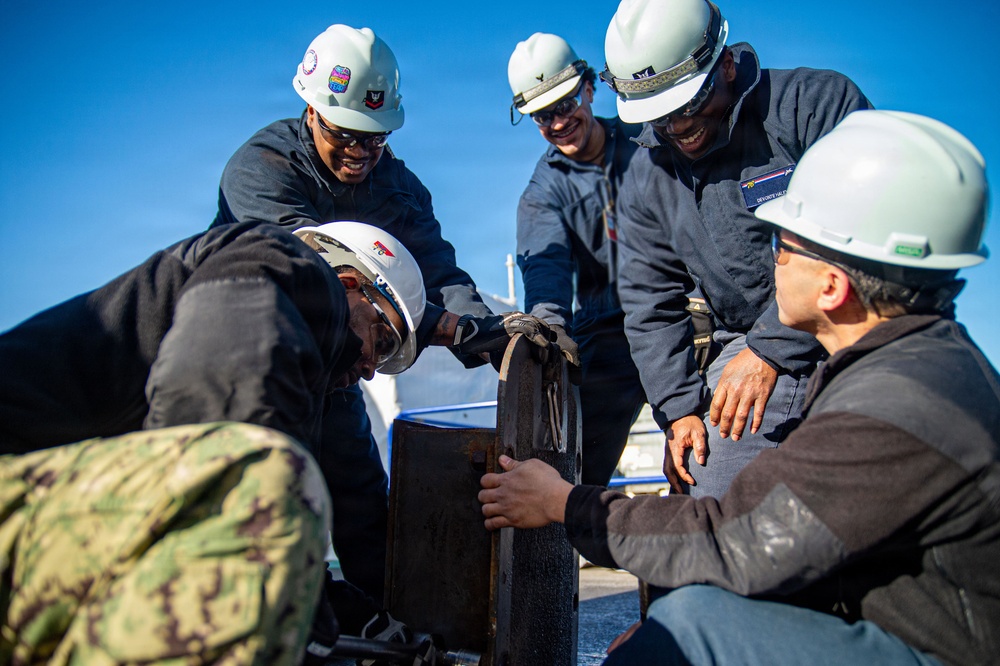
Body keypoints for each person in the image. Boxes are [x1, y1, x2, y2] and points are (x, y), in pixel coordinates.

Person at [478, 110, 998, 665]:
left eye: (785, 242)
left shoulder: (889, 407)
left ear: (831, 286)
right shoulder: (922, 367)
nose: (770, 255)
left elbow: (732, 539)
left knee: (688, 627)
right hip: (917, 632)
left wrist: (563, 502)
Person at [211, 24, 545, 600]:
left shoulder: (398, 189)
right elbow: (307, 260)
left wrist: (486, 334)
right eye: (347, 134)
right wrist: (414, 316)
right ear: (311, 112)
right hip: (254, 371)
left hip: (335, 375)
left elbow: (440, 272)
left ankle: (389, 632)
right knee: (274, 509)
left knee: (363, 501)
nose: (361, 153)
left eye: (377, 138)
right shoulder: (261, 169)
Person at [0, 221, 424, 664]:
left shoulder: (311, 386)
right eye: (383, 339)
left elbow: (348, 503)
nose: (374, 367)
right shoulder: (283, 262)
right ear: (348, 283)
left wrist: (358, 618)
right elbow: (224, 456)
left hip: (53, 517)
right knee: (261, 480)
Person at [601, 0, 872, 498]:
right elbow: (648, 303)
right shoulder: (647, 176)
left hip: (854, 329)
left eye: (688, 105)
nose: (678, 127)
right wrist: (678, 408)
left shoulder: (814, 106)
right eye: (660, 116)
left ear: (725, 63)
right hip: (743, 344)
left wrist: (771, 345)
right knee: (708, 491)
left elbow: (861, 230)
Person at [507, 33, 646, 485]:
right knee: (573, 473)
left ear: (589, 87)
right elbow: (545, 271)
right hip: (607, 334)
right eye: (543, 116)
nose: (558, 122)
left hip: (686, 318)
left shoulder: (648, 142)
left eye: (565, 105)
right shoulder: (541, 194)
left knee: (711, 455)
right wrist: (549, 327)